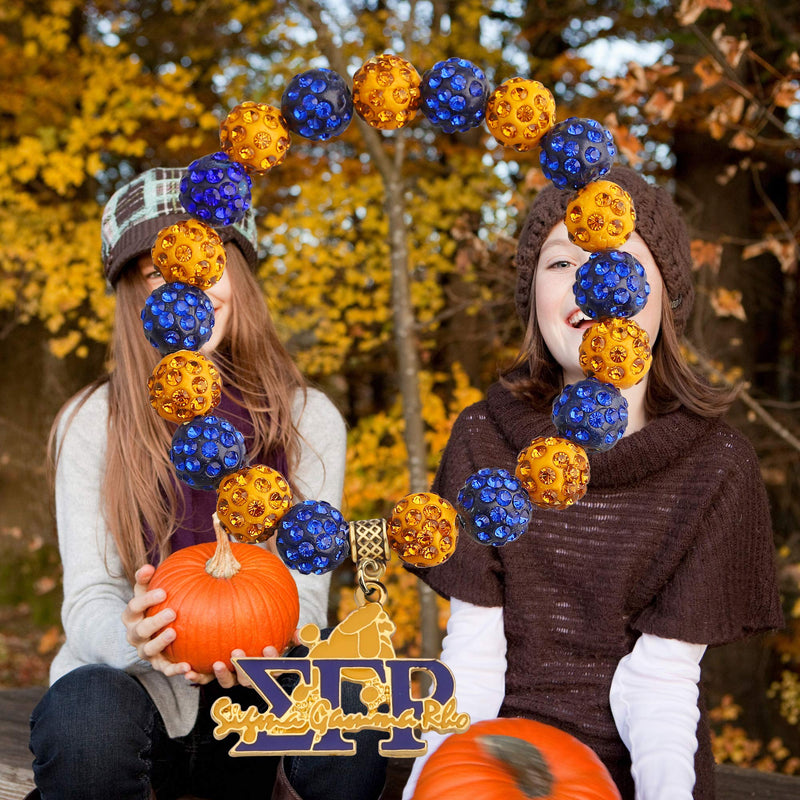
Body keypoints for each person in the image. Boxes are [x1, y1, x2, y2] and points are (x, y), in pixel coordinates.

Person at [402, 166, 783, 800]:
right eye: (561, 263)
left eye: (622, 260)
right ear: (533, 298)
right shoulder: (481, 437)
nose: (592, 282)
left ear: (668, 295)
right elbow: (472, 663)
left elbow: (658, 684)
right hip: (496, 762)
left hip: (636, 771)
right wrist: (429, 785)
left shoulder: (719, 468)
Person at [28, 168, 386, 800]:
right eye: (160, 273)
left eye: (206, 262)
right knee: (83, 713)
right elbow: (89, 597)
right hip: (131, 694)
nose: (189, 287)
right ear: (134, 299)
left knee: (349, 708)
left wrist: (266, 645)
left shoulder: (308, 421)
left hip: (250, 703)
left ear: (239, 277)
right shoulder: (94, 421)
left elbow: (306, 597)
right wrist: (134, 636)